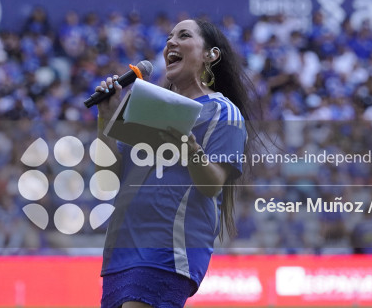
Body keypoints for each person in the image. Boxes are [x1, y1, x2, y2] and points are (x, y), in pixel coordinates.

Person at [95, 19, 258, 308]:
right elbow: (108, 179)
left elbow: (211, 185)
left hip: (168, 250)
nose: (171, 42)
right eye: (169, 37)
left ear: (211, 55)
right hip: (120, 253)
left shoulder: (223, 112)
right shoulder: (146, 108)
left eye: (184, 36)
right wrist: (106, 120)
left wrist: (189, 147)